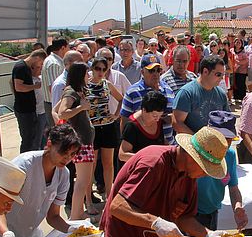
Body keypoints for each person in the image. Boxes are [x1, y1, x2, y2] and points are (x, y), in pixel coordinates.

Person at [100, 127, 230, 237]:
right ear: (192, 157)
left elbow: (184, 217)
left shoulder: (188, 175)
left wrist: (208, 235)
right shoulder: (153, 163)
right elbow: (117, 207)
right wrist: (156, 223)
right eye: (205, 168)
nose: (205, 174)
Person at [180, 111, 249, 237]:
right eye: (220, 138)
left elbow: (233, 187)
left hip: (212, 212)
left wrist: (237, 207)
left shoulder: (230, 155)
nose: (224, 143)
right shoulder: (194, 155)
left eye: (228, 139)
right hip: (191, 214)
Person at [52, 62, 94, 220]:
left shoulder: (74, 91)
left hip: (83, 141)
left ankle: (78, 212)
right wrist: (81, 108)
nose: (89, 75)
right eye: (86, 73)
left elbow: (55, 110)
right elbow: (62, 113)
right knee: (83, 180)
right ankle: (76, 215)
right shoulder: (71, 92)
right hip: (81, 142)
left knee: (84, 180)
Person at [86, 55, 125, 200]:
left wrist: (116, 115)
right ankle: (88, 198)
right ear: (92, 69)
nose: (100, 72)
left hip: (107, 127)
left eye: (104, 69)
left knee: (108, 163)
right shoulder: (86, 85)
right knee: (91, 164)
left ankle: (110, 195)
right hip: (91, 129)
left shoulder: (107, 84)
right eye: (97, 68)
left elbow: (121, 99)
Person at [120, 54, 176, 145]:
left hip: (167, 145)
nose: (155, 74)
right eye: (151, 71)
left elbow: (175, 116)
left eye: (158, 70)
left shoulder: (168, 91)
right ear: (142, 72)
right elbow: (125, 122)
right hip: (142, 147)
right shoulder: (133, 93)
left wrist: (165, 118)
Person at [173, 55, 230, 135]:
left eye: (223, 75)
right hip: (190, 144)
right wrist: (198, 141)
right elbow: (177, 122)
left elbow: (226, 121)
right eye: (218, 74)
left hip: (214, 144)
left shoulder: (221, 94)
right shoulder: (187, 93)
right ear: (205, 71)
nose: (221, 78)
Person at [12, 49, 45, 152]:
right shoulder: (21, 67)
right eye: (41, 62)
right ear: (37, 58)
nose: (40, 65)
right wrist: (36, 86)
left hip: (29, 109)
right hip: (24, 110)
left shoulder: (25, 67)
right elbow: (18, 87)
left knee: (32, 137)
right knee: (27, 139)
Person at [119, 90, 167, 162]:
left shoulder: (159, 122)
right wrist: (149, 158)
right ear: (144, 110)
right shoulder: (132, 126)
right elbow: (122, 155)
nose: (157, 119)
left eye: (160, 115)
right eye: (154, 115)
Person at [42, 38, 68, 127]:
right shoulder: (53, 63)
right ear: (63, 48)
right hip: (54, 105)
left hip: (54, 104)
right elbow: (53, 88)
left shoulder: (54, 60)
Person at [231, 37, 249, 104]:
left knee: (241, 84)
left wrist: (238, 63)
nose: (238, 43)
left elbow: (247, 60)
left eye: (239, 42)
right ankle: (235, 97)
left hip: (242, 70)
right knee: (234, 84)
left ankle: (242, 98)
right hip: (234, 71)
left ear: (242, 44)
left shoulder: (244, 51)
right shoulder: (231, 50)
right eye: (237, 42)